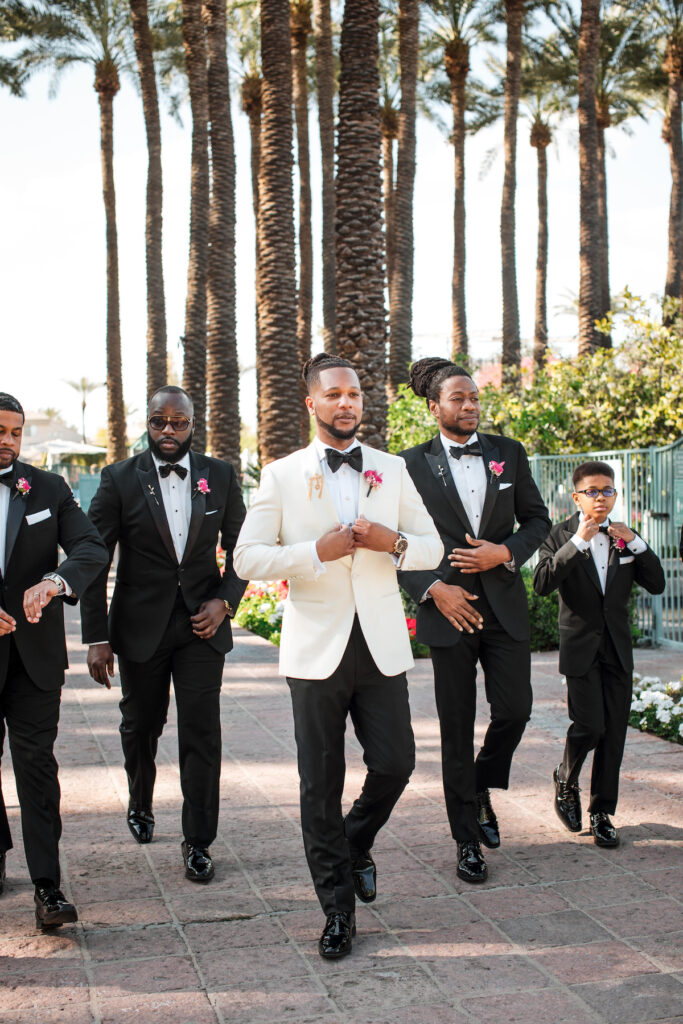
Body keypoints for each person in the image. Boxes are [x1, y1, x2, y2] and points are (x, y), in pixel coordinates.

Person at [233, 354, 443, 959]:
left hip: (379, 644)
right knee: (318, 784)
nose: (346, 403)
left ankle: (354, 843)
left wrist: (392, 542)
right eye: (334, 395)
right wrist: (313, 552)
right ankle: (337, 912)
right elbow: (246, 559)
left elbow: (430, 547)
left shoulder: (392, 469)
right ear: (312, 403)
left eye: (354, 393)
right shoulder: (281, 475)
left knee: (397, 763)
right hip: (315, 650)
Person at [81, 385, 246, 882]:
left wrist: (225, 601)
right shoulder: (118, 480)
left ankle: (198, 841)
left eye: (178, 422)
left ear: (194, 424)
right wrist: (97, 637)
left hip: (202, 626)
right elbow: (93, 558)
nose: (168, 431)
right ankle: (140, 801)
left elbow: (244, 547)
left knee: (202, 733)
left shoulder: (220, 475)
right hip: (139, 628)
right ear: (147, 424)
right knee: (141, 725)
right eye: (159, 422)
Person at [398, 358, 551, 884]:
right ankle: (467, 839)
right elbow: (394, 544)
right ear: (434, 406)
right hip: (448, 609)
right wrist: (430, 590)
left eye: (474, 398)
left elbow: (538, 519)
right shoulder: (407, 466)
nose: (470, 406)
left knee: (516, 709)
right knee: (455, 727)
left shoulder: (508, 453)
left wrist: (503, 553)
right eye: (458, 399)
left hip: (503, 604)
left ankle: (482, 780)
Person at [0, 393, 108, 928]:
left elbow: (91, 548)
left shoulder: (47, 487)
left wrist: (54, 582)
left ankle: (48, 886)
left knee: (37, 768)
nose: (8, 439)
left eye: (16, 432)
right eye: (0, 429)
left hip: (34, 658)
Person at [533, 460, 665, 848]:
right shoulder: (559, 535)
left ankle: (601, 812)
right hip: (580, 647)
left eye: (607, 491)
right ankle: (566, 778)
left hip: (618, 649)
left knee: (615, 736)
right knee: (590, 726)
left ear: (615, 495)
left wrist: (637, 544)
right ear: (576, 496)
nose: (601, 498)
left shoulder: (626, 536)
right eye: (592, 491)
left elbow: (656, 583)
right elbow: (541, 583)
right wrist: (578, 543)